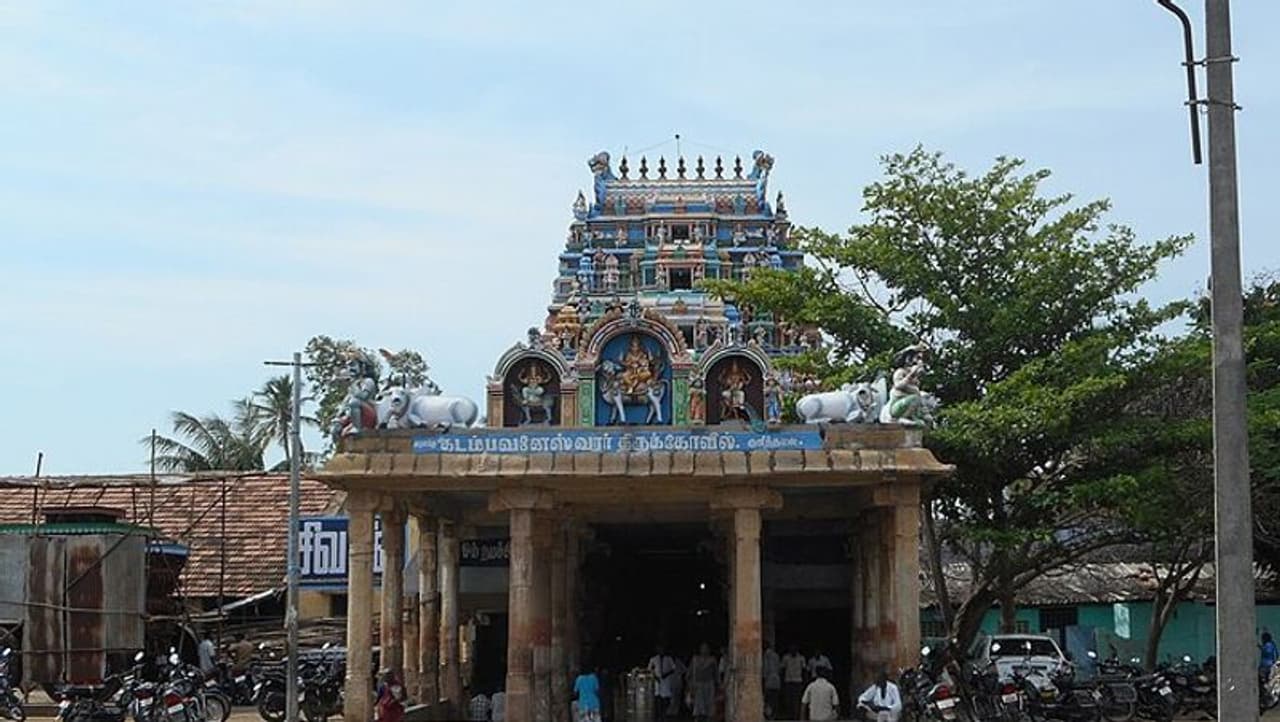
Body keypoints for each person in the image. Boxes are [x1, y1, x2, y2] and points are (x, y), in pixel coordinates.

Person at [688, 644, 718, 722]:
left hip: (709, 684)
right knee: (698, 706)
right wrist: (690, 685)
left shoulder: (712, 660)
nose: (704, 650)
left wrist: (718, 684)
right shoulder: (695, 659)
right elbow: (690, 673)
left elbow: (716, 673)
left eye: (706, 648)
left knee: (709, 705)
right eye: (703, 648)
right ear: (700, 649)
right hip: (698, 685)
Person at [648, 645, 677, 721]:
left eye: (662, 649)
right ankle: (659, 717)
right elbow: (649, 670)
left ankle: (664, 716)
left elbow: (673, 668)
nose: (661, 650)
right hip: (657, 683)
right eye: (659, 649)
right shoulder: (653, 659)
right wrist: (655, 676)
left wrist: (666, 674)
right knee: (658, 700)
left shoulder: (668, 659)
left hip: (666, 682)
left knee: (666, 700)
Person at [781, 645, 807, 720]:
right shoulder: (786, 658)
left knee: (796, 700)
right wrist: (782, 682)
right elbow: (782, 669)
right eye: (792, 649)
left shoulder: (801, 658)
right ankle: (789, 716)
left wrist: (804, 682)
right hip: (788, 681)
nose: (793, 651)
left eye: (795, 649)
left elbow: (804, 671)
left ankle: (795, 717)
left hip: (798, 681)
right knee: (788, 700)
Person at [762, 642, 782, 719]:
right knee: (774, 699)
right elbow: (779, 669)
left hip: (769, 681)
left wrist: (763, 680)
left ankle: (769, 715)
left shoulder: (766, 656)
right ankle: (773, 715)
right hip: (776, 680)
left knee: (768, 699)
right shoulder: (776, 655)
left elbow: (765, 670)